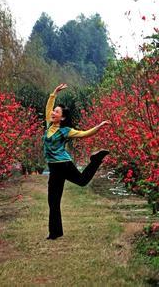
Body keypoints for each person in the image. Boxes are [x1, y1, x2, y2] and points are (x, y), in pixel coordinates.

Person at [43, 83, 111, 240]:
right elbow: (47, 108)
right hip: (53, 168)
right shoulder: (49, 126)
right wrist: (54, 93)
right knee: (53, 200)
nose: (53, 113)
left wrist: (99, 126)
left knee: (82, 181)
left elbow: (84, 134)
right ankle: (55, 233)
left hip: (63, 165)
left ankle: (96, 159)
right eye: (54, 111)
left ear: (63, 117)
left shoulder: (66, 131)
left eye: (57, 112)